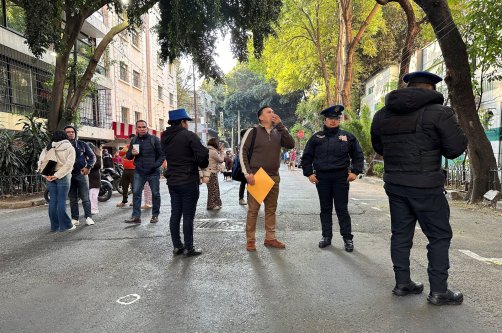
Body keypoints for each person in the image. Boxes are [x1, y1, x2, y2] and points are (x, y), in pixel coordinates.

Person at [370, 71, 468, 305]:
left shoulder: (382, 114)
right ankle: (439, 291)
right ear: (432, 89)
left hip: (395, 184)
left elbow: (378, 146)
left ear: (409, 87)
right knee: (439, 235)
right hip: (426, 186)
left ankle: (402, 283)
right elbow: (454, 149)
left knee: (401, 234)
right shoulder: (439, 113)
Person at [301, 105, 364, 252]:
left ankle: (348, 239)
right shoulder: (316, 137)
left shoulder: (348, 137)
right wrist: (309, 173)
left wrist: (355, 171)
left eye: (336, 118)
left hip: (341, 177)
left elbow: (358, 155)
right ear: (325, 120)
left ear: (339, 120)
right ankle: (326, 237)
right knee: (325, 209)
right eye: (330, 118)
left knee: (342, 209)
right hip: (322, 178)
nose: (333, 121)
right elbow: (306, 157)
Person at [240, 105, 295, 251]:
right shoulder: (253, 131)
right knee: (253, 210)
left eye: (273, 111)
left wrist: (281, 125)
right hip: (256, 177)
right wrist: (247, 173)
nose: (272, 114)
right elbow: (242, 151)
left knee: (271, 210)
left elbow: (290, 144)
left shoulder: (278, 132)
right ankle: (250, 240)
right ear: (261, 117)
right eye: (269, 112)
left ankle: (270, 238)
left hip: (273, 177)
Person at [161, 108, 209, 257]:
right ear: (182, 122)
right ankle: (189, 247)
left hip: (173, 181)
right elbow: (202, 155)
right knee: (188, 215)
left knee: (175, 213)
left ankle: (177, 246)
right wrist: (197, 162)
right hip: (188, 180)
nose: (187, 124)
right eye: (186, 121)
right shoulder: (189, 135)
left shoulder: (164, 137)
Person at [124, 120, 164, 224]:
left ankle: (155, 215)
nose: (142, 129)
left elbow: (162, 155)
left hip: (153, 172)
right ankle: (136, 217)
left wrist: (154, 166)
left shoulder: (154, 139)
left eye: (144, 127)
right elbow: (128, 156)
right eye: (139, 127)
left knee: (155, 194)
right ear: (136, 129)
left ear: (147, 128)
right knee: (136, 193)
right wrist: (131, 153)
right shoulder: (134, 140)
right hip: (139, 171)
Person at [37, 131, 76, 232]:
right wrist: (57, 175)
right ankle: (66, 226)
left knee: (53, 201)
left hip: (49, 176)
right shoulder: (69, 147)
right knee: (61, 201)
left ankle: (55, 227)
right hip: (62, 176)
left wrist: (46, 175)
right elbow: (69, 165)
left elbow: (41, 163)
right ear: (65, 137)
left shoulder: (47, 148)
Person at [64, 125, 96, 226]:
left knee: (85, 197)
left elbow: (92, 156)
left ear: (75, 133)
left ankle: (88, 217)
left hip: (81, 174)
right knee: (72, 198)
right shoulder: (62, 146)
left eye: (72, 132)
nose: (70, 133)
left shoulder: (82, 144)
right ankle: (75, 218)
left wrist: (88, 167)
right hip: (67, 175)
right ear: (64, 134)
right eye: (68, 132)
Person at [117, 134, 136, 207]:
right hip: (125, 169)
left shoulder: (137, 147)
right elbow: (120, 153)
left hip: (134, 169)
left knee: (134, 187)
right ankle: (124, 201)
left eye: (133, 139)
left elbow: (136, 155)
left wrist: (127, 154)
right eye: (131, 139)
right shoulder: (127, 146)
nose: (132, 140)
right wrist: (128, 152)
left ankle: (135, 201)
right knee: (124, 186)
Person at [206, 138, 225, 210]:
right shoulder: (213, 152)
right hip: (212, 172)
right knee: (213, 189)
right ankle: (212, 205)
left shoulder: (207, 150)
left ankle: (216, 203)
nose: (218, 144)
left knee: (213, 188)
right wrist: (222, 152)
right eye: (218, 143)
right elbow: (221, 160)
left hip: (208, 172)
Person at [87, 143, 102, 215]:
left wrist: (89, 163)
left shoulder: (98, 157)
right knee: (88, 196)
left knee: (93, 195)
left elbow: (98, 166)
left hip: (95, 178)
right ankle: (89, 209)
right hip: (87, 178)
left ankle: (94, 209)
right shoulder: (84, 157)